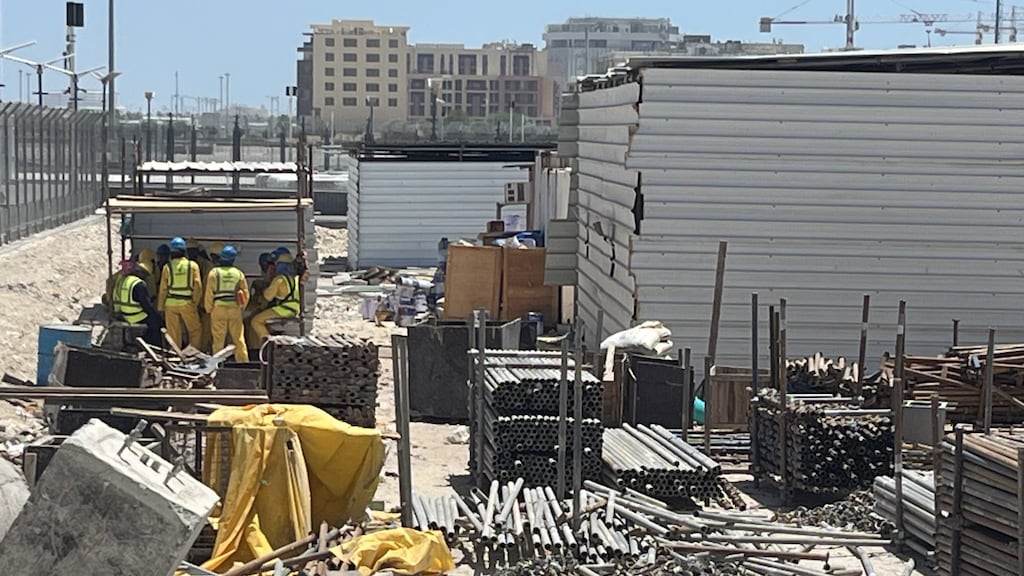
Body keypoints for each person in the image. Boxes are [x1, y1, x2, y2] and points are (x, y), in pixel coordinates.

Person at [204, 245, 250, 362]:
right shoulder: (238, 273)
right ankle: (243, 363)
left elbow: (209, 293)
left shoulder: (214, 273)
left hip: (218, 309)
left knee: (218, 340)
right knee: (239, 339)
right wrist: (241, 308)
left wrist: (208, 309)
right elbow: (245, 294)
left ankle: (216, 366)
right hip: (234, 309)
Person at [158, 236, 203, 350]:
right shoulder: (192, 266)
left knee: (173, 333)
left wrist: (161, 308)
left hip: (170, 304)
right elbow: (197, 286)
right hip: (187, 303)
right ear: (184, 251)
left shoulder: (167, 267)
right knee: (195, 330)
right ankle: (193, 353)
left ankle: (175, 355)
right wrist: (195, 303)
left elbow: (163, 289)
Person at [249, 253, 301, 344]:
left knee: (256, 321)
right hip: (295, 309)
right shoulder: (296, 279)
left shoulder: (279, 279)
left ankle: (268, 343)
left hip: (283, 309)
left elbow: (268, 297)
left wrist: (265, 289)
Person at [112, 261, 163, 346]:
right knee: (157, 322)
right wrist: (155, 314)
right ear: (140, 273)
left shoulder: (123, 281)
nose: (145, 277)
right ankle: (152, 345)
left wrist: (117, 312)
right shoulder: (139, 284)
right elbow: (146, 305)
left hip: (125, 315)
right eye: (145, 274)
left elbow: (116, 297)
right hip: (136, 316)